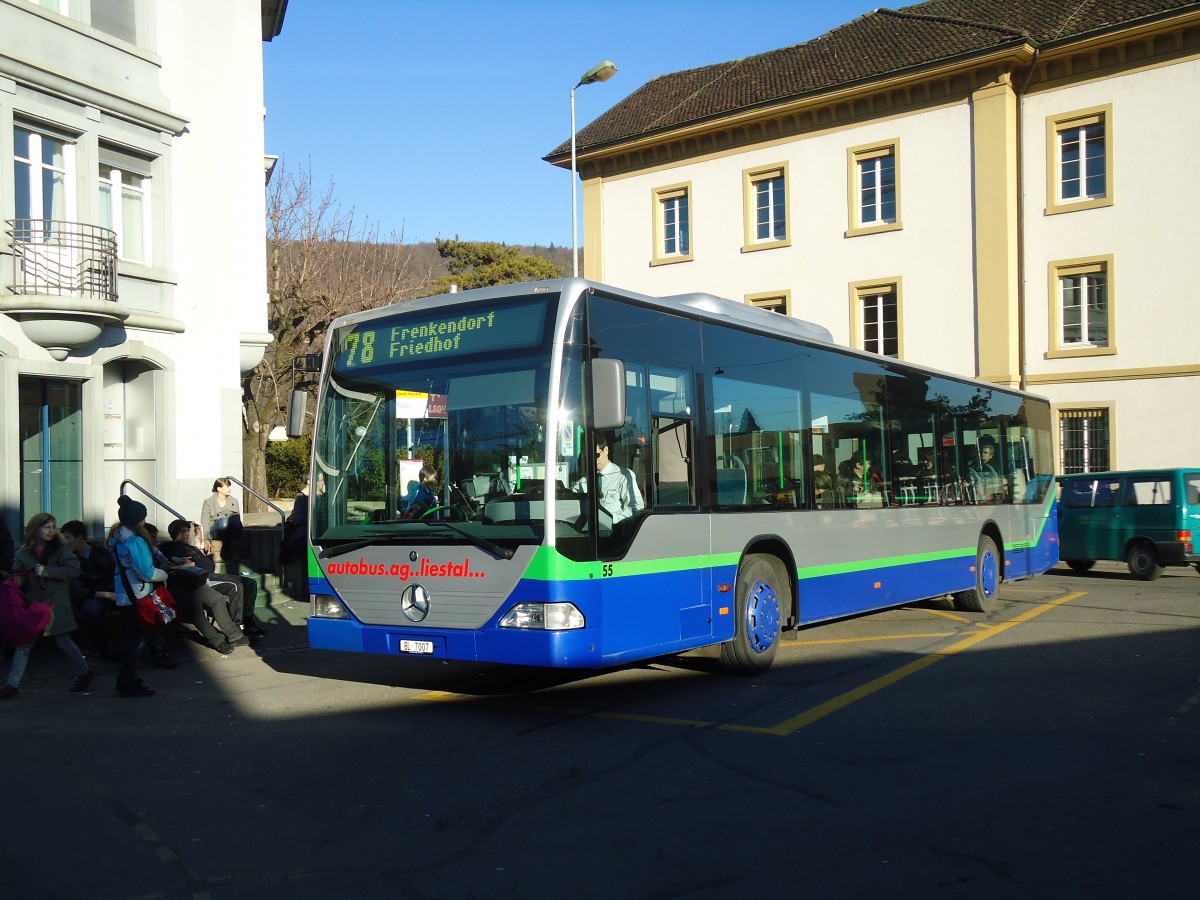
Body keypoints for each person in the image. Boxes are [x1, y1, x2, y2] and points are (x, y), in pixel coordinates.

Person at [2, 513, 91, 700]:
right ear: (35, 529)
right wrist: (18, 580)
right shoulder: (24, 552)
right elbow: (19, 574)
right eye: (46, 527)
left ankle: (83, 672)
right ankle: (12, 684)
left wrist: (48, 571)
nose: (51, 531)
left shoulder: (60, 549)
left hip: (56, 605)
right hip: (34, 606)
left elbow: (74, 570)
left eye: (53, 527)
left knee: (63, 641)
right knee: (23, 645)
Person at [159, 519, 252, 654]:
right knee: (196, 606)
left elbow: (207, 565)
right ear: (174, 533)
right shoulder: (169, 546)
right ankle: (218, 640)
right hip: (179, 583)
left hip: (196, 580)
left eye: (188, 530)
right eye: (183, 531)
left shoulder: (190, 547)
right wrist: (177, 562)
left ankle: (235, 634)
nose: (186, 533)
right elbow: (162, 561)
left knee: (219, 598)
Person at [108, 496, 167, 697]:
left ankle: (127, 677)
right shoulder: (135, 541)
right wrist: (164, 574)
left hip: (125, 594)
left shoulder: (117, 539)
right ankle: (128, 680)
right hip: (138, 594)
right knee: (135, 641)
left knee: (132, 640)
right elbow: (147, 573)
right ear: (138, 519)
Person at [58, 520, 121, 662]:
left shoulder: (103, 553)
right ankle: (104, 648)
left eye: (68, 538)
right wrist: (104, 594)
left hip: (111, 591)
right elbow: (75, 590)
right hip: (89, 596)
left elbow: (116, 575)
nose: (65, 543)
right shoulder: (68, 560)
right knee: (92, 608)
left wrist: (114, 592)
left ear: (80, 538)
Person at [574, 433, 644, 524]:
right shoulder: (584, 481)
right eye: (588, 456)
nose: (592, 459)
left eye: (596, 455)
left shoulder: (623, 476)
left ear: (606, 450)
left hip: (616, 530)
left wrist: (610, 520)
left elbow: (636, 508)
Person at [200, 477, 240, 565]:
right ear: (219, 489)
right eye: (227, 486)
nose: (230, 489)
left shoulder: (234, 501)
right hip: (215, 531)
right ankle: (216, 552)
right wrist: (206, 539)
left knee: (236, 521)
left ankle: (235, 551)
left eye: (230, 486)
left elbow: (237, 520)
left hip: (230, 531)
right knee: (225, 521)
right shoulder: (208, 502)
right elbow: (204, 522)